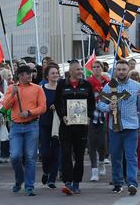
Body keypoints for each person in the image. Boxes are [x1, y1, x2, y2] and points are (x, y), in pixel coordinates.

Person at [98, 60, 140, 196]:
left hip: (131, 127)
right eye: (119, 69)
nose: (121, 72)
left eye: (123, 69)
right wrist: (108, 107)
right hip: (114, 127)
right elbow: (100, 104)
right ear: (115, 71)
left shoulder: (137, 86)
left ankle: (132, 183)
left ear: (128, 71)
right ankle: (118, 183)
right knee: (115, 157)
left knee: (131, 156)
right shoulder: (109, 87)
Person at [2, 65, 46, 196]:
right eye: (28, 74)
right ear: (21, 76)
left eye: (31, 73)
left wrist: (30, 112)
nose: (31, 76)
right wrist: (13, 94)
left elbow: (43, 107)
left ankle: (29, 186)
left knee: (30, 157)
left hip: (32, 125)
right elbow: (5, 106)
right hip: (16, 126)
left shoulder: (37, 88)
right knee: (15, 156)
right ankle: (19, 179)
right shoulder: (11, 88)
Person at [55, 60, 95, 195]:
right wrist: (63, 116)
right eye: (77, 69)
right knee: (66, 153)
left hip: (82, 126)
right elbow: (57, 102)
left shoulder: (87, 85)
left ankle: (76, 183)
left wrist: (89, 116)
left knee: (79, 155)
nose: (80, 72)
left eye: (81, 69)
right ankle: (67, 182)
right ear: (70, 71)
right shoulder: (61, 84)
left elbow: (92, 104)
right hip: (66, 126)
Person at [86, 60, 110, 181]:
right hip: (91, 116)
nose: (96, 68)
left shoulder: (108, 83)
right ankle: (94, 170)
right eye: (94, 67)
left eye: (98, 66)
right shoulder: (87, 82)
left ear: (102, 68)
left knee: (102, 143)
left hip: (104, 115)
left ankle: (101, 161)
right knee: (91, 144)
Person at [39, 64, 61, 189]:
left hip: (58, 125)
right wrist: (48, 107)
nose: (55, 75)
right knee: (45, 151)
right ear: (47, 76)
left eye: (57, 73)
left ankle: (52, 178)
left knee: (56, 151)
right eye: (52, 73)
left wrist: (58, 107)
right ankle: (46, 170)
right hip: (45, 123)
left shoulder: (62, 88)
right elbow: (39, 104)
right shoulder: (42, 88)